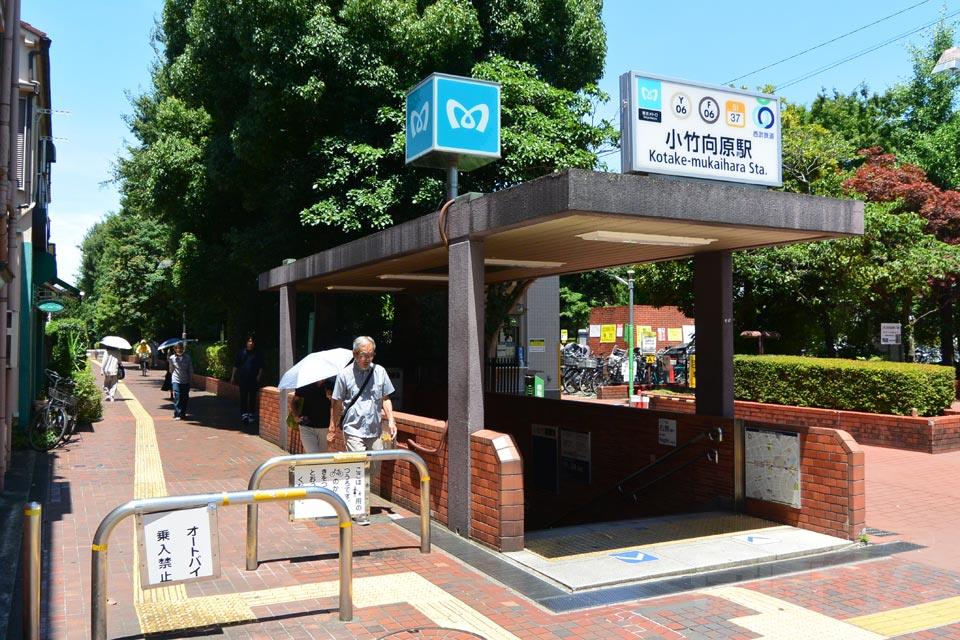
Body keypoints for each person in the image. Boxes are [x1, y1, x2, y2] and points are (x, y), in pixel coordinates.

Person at [331, 336, 396, 525]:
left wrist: (391, 420)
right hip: (353, 429)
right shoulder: (344, 375)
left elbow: (385, 398)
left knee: (373, 470)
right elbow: (336, 403)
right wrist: (332, 427)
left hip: (374, 430)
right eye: (363, 355)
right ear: (354, 354)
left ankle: (351, 494)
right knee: (360, 468)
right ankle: (359, 510)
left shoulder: (380, 372)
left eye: (371, 355)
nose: (368, 359)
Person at [292, 377, 336, 453]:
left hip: (325, 427)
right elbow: (295, 401)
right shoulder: (305, 383)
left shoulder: (332, 383)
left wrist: (331, 398)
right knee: (312, 455)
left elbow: (337, 405)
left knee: (321, 456)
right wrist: (296, 415)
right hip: (306, 426)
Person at [229, 333, 263, 424]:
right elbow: (236, 365)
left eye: (252, 341)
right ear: (246, 342)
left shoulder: (257, 353)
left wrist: (259, 376)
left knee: (252, 397)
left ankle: (251, 413)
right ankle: (244, 414)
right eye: (249, 341)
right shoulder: (241, 353)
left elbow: (260, 366)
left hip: (253, 379)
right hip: (243, 378)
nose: (251, 343)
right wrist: (233, 377)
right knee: (243, 396)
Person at [168, 341, 194, 420]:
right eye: (178, 348)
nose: (180, 349)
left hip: (185, 380)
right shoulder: (172, 358)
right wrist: (174, 376)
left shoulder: (187, 357)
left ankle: (183, 413)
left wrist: (191, 377)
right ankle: (177, 414)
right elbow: (171, 369)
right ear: (175, 349)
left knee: (185, 397)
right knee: (177, 396)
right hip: (176, 379)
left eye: (181, 348)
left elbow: (190, 368)